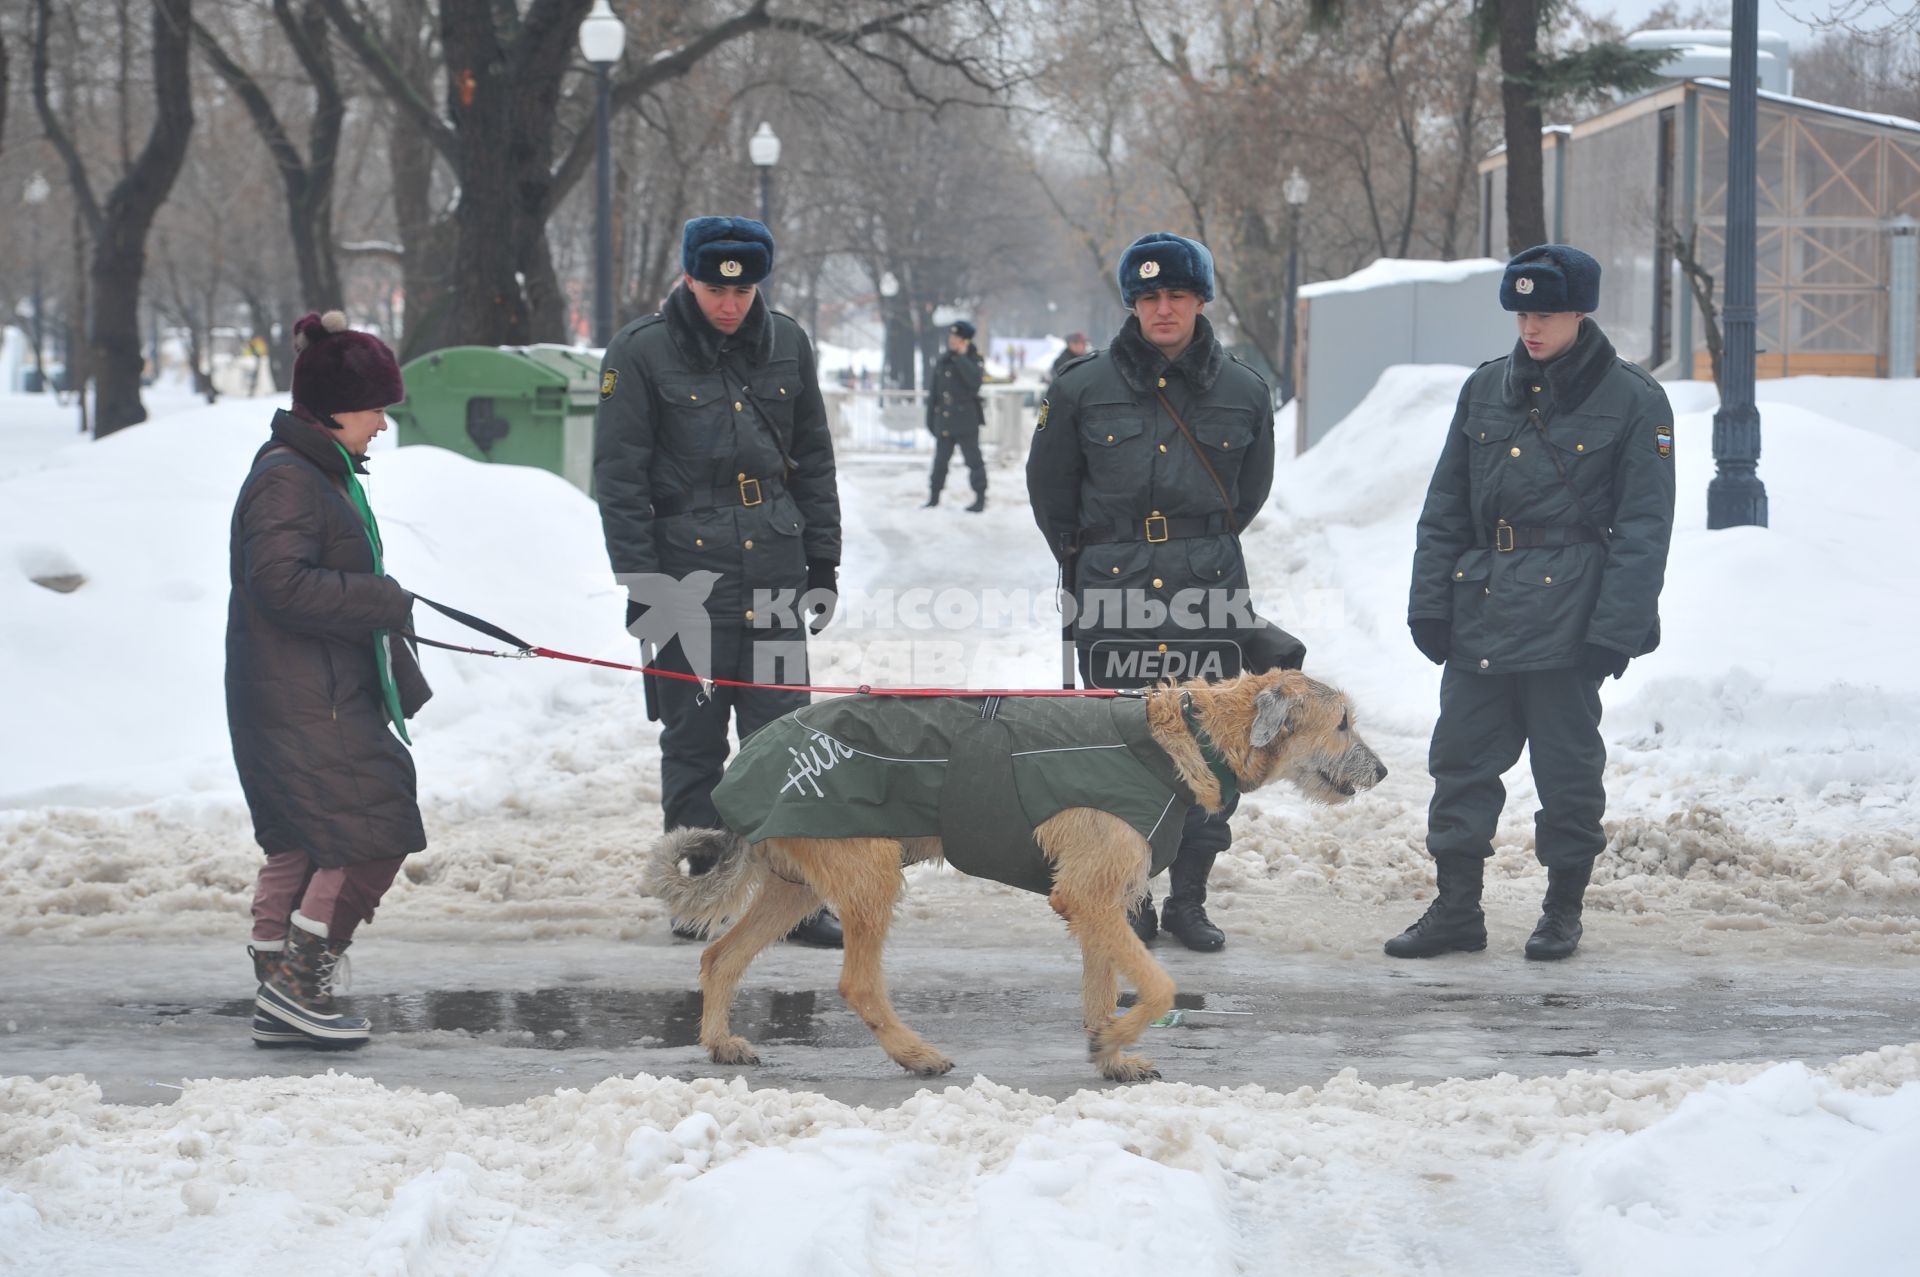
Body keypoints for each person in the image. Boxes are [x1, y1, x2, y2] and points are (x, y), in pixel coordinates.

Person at [1390, 243, 1675, 962]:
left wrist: (1616, 630)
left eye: (1545, 313)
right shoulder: (1486, 390)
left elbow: (1644, 529)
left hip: (1571, 618)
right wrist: (1429, 604)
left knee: (1568, 770)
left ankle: (1561, 910)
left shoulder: (1635, 400)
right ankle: (1457, 909)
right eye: (1521, 313)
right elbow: (1445, 506)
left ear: (1581, 310)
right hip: (1482, 606)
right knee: (1459, 762)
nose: (1531, 328)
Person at [1027, 232, 1299, 952]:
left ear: (1200, 299)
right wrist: (1097, 561)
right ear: (1134, 304)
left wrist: (1192, 545)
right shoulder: (1082, 387)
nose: (1164, 308)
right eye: (1149, 297)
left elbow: (1249, 493)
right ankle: (1132, 896)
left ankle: (1190, 899)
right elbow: (1051, 493)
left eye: (1177, 294)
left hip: (1207, 588)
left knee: (1210, 750)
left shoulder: (1243, 389)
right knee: (1126, 747)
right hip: (1112, 590)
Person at [594, 215, 845, 949]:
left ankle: (791, 894)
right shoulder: (640, 352)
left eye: (742, 289)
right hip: (685, 581)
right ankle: (699, 887)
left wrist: (823, 560)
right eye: (713, 288)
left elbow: (813, 456)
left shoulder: (788, 343)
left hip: (772, 572)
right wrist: (643, 582)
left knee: (782, 737)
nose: (729, 303)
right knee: (695, 739)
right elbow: (619, 479)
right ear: (689, 279)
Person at [229, 310, 432, 1048]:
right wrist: (378, 597)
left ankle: (280, 987)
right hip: (307, 697)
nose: (383, 423)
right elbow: (279, 582)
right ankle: (297, 984)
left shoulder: (313, 470)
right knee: (372, 824)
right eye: (377, 407)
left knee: (308, 836)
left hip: (304, 689)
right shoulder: (289, 479)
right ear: (337, 407)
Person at [924, 320, 988, 511]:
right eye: (952, 337)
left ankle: (980, 497)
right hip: (945, 419)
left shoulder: (974, 359)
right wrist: (930, 419)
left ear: (966, 341)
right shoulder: (944, 359)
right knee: (940, 461)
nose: (953, 341)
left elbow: (975, 382)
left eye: (957, 338)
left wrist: (961, 357)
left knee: (973, 461)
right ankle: (933, 496)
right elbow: (934, 392)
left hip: (966, 420)